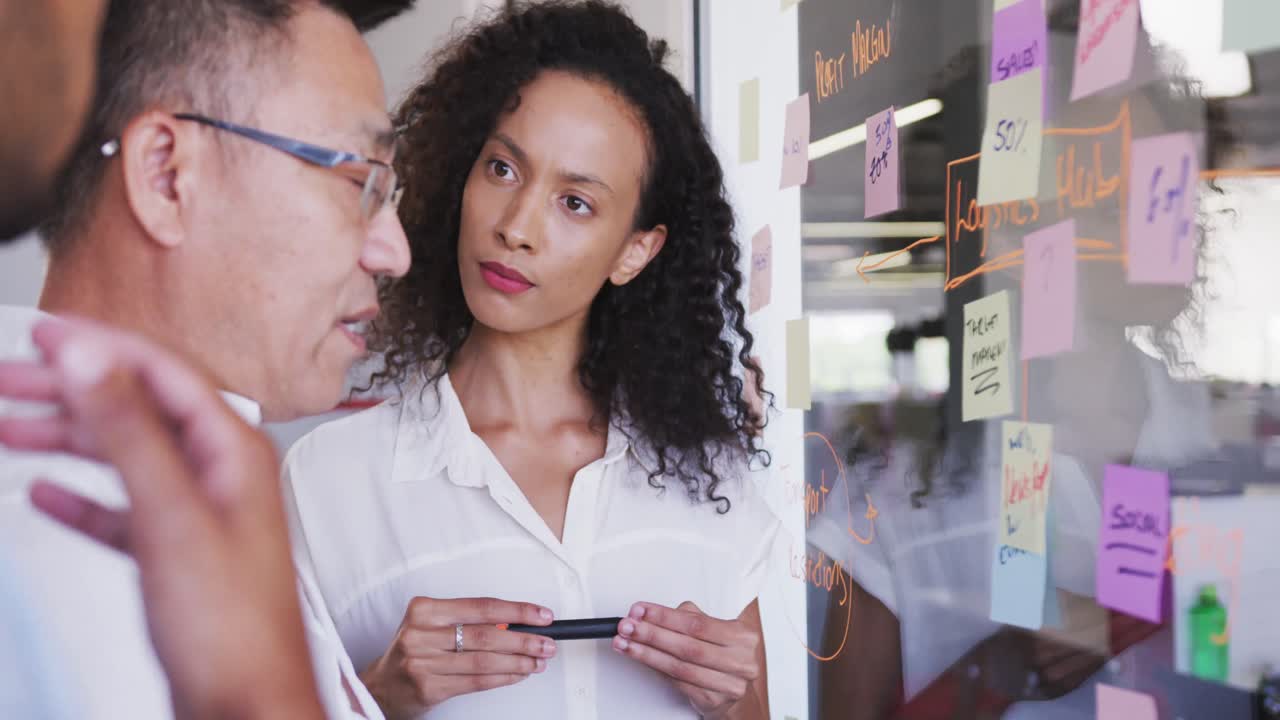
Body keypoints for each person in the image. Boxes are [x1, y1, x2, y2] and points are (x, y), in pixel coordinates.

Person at [284, 2, 779, 718]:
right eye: (502, 168)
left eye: (575, 202)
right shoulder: (329, 482)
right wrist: (380, 695)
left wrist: (736, 706)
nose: (515, 228)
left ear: (636, 251)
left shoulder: (711, 479)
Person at [0, 0, 415, 717]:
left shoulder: (183, 511)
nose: (394, 251)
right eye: (360, 181)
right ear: (167, 175)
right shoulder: (64, 551)